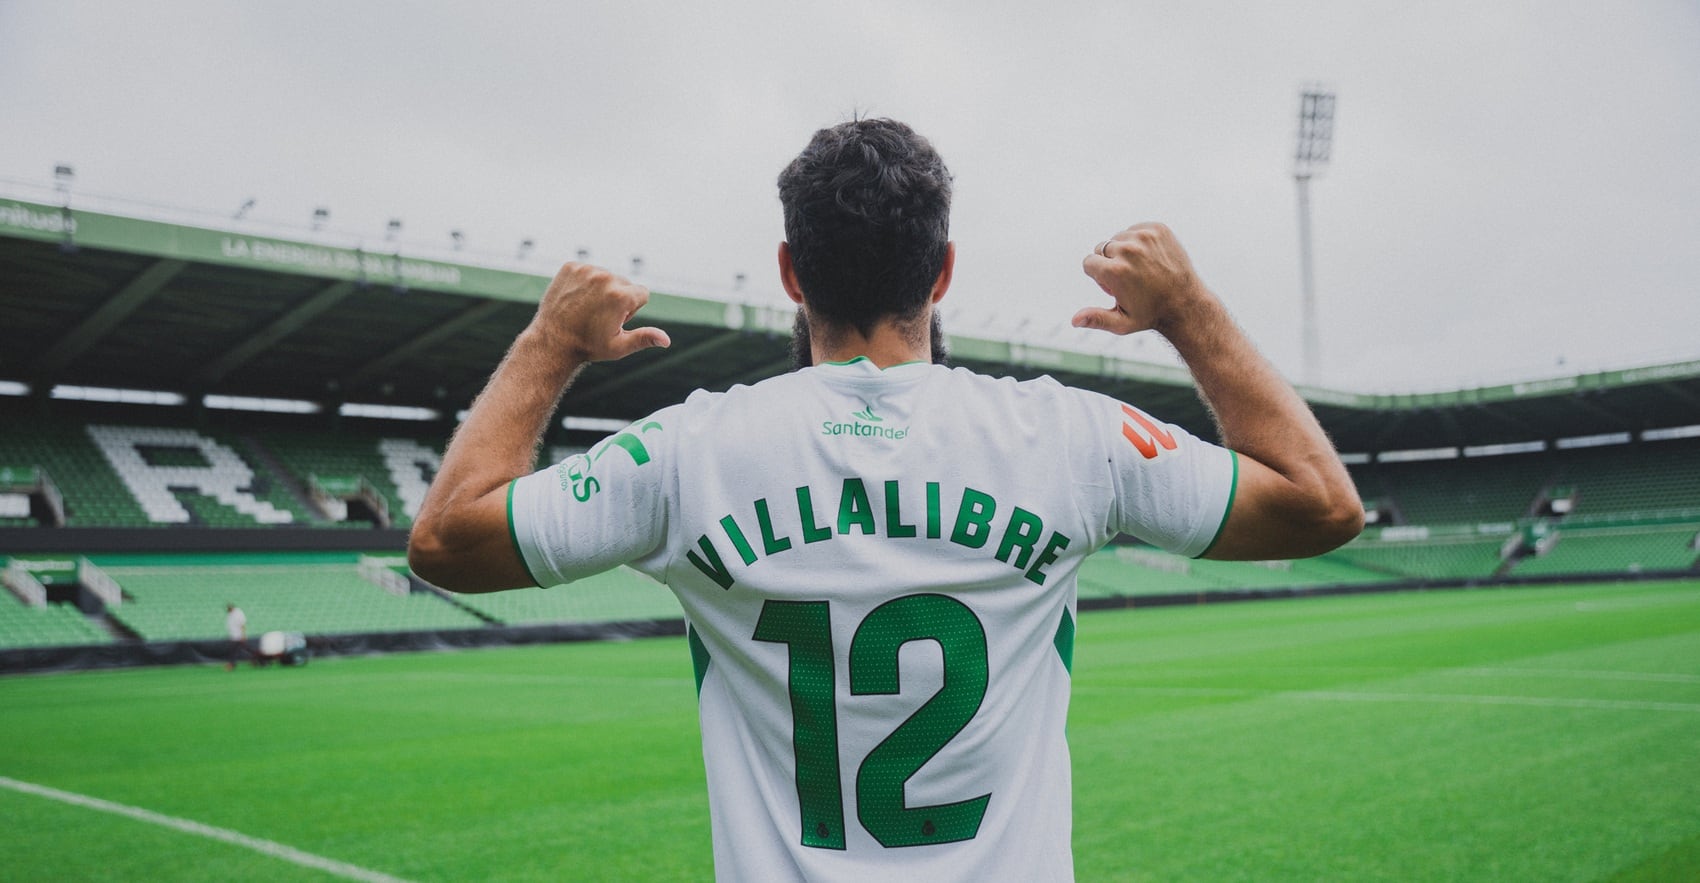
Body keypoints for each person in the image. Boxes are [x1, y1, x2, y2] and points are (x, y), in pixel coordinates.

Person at [408, 118, 1362, 881]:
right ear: (943, 271)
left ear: (791, 272)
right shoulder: (1070, 437)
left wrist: (551, 342)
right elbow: (1321, 504)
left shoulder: (686, 450)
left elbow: (446, 539)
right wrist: (1188, 308)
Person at [224, 602, 247, 671]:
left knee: (233, 651)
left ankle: (231, 664)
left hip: (238, 636)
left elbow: (242, 625)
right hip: (233, 636)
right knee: (233, 651)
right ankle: (232, 664)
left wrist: (243, 635)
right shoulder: (231, 614)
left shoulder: (238, 614)